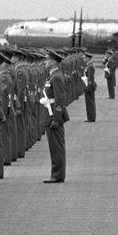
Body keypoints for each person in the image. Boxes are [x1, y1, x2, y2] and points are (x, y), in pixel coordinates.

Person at [42, 50, 69, 183]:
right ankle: (56, 173)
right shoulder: (53, 76)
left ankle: (57, 174)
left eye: (47, 60)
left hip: (54, 115)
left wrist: (56, 119)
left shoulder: (56, 76)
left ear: (53, 62)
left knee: (56, 147)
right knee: (54, 147)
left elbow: (60, 100)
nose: (45, 62)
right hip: (50, 113)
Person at [83, 53, 97, 122]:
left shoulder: (90, 66)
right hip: (89, 85)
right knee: (90, 102)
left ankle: (91, 118)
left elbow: (90, 78)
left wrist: (88, 86)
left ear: (88, 58)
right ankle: (91, 117)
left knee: (90, 103)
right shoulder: (89, 65)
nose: (84, 59)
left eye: (85, 58)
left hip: (90, 86)